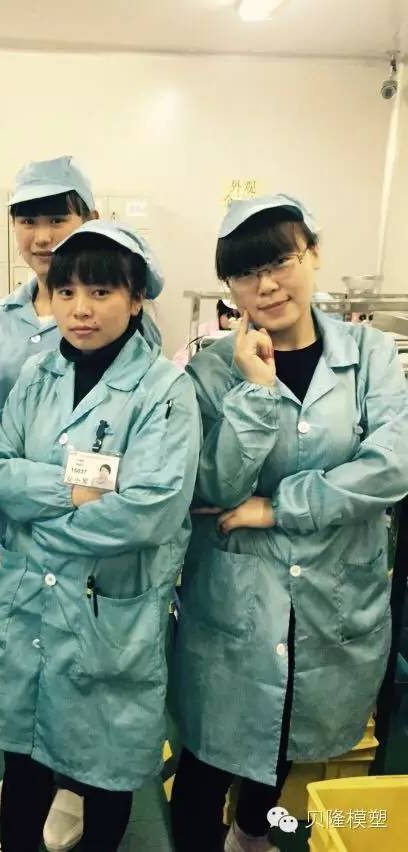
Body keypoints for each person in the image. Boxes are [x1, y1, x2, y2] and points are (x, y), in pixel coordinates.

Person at [170, 194, 408, 852]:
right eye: (246, 273)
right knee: (209, 756)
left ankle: (250, 835)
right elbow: (211, 487)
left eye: (280, 262)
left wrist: (276, 508)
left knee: (284, 740)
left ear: (314, 256)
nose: (267, 285)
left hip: (332, 591)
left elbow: (392, 466)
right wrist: (254, 390)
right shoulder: (211, 372)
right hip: (240, 599)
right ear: (230, 287)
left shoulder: (370, 354)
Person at [0, 155, 161, 851]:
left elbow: (142, 473)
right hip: (19, 537)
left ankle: (73, 785)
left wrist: (45, 497)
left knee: (90, 695)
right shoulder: (0, 325)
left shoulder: (146, 354)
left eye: (57, 219)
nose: (43, 236)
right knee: (26, 684)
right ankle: (37, 771)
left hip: (95, 557)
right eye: (29, 221)